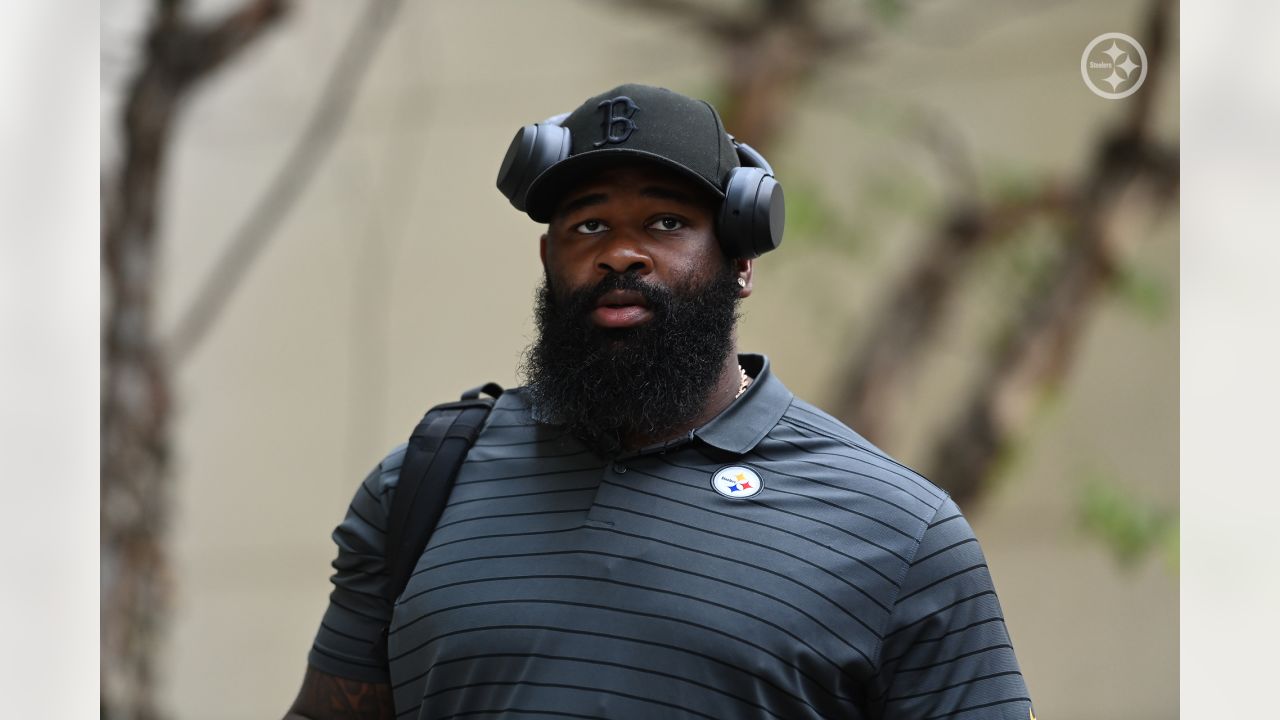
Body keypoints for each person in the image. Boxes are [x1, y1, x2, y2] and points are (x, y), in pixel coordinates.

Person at [284, 84, 1032, 720]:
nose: (620, 252)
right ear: (549, 260)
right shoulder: (424, 483)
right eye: (588, 225)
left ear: (741, 260)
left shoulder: (899, 533)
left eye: (667, 223)